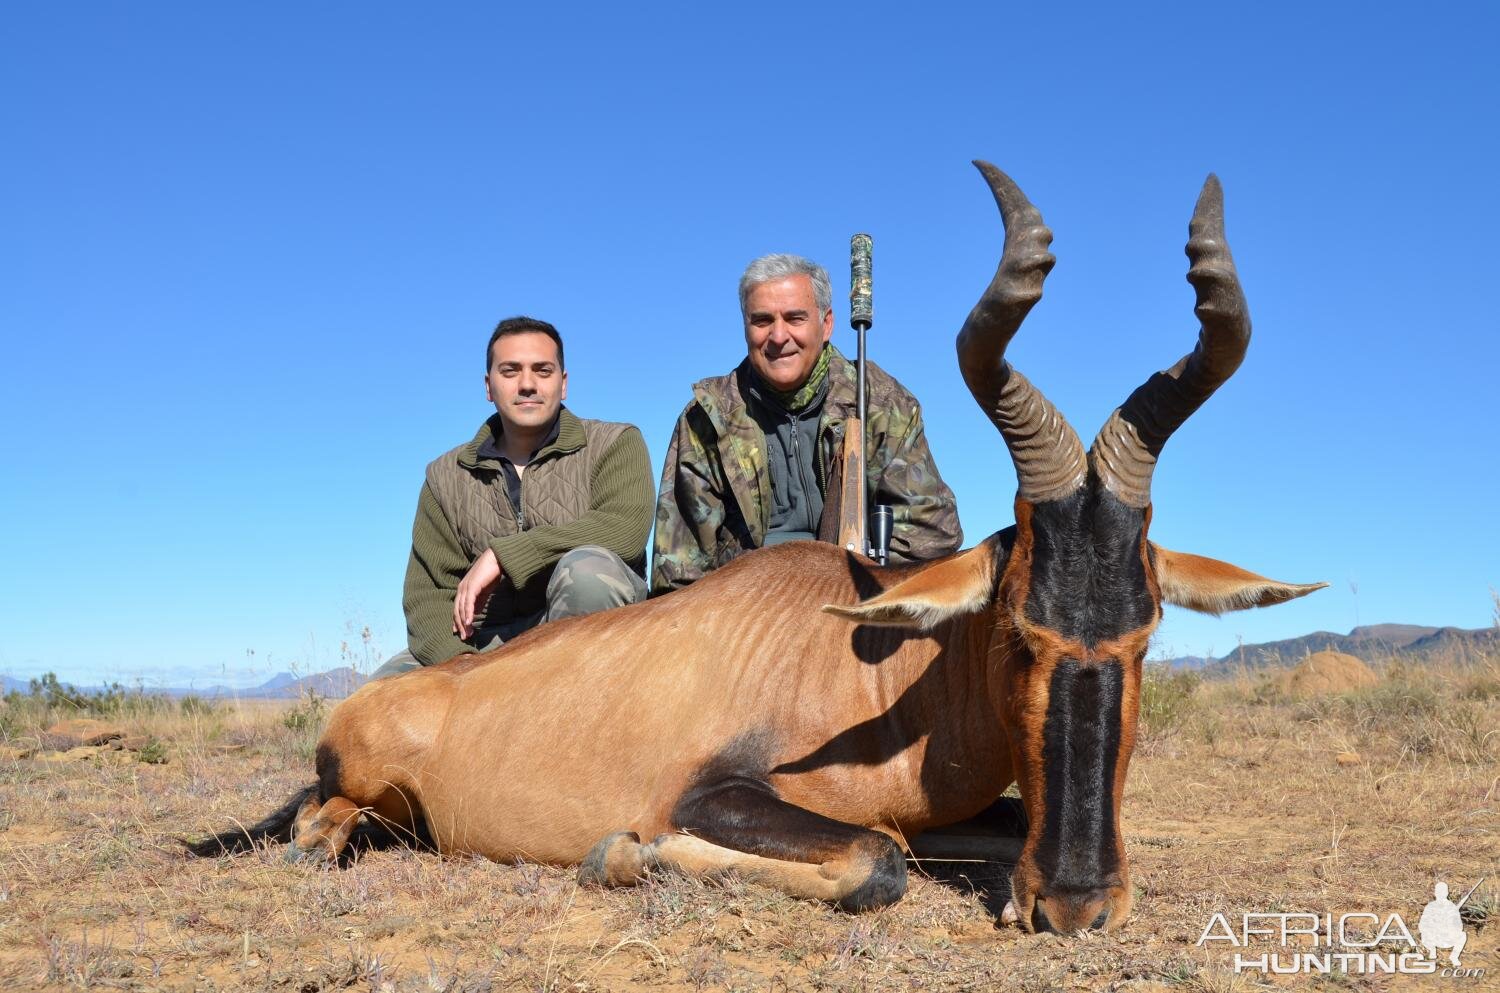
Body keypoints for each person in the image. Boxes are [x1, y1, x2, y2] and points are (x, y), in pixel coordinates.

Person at [651, 254, 962, 593]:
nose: (778, 336)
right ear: (745, 326)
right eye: (762, 321)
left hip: (856, 602)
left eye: (795, 318)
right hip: (746, 611)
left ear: (826, 324)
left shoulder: (881, 402)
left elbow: (933, 536)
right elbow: (679, 574)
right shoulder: (706, 418)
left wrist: (851, 585)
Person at [374, 317, 655, 678]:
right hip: (486, 649)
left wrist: (504, 556)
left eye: (542, 370)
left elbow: (625, 530)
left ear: (563, 383)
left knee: (587, 572)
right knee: (379, 696)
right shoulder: (444, 476)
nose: (527, 384)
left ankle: (587, 720)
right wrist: (466, 672)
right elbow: (426, 598)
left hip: (596, 636)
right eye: (510, 371)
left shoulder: (615, 444)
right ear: (488, 386)